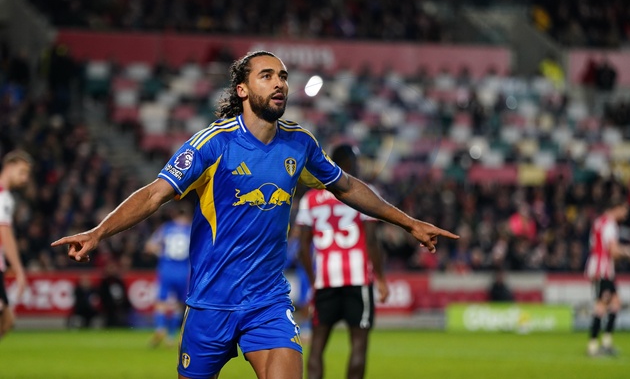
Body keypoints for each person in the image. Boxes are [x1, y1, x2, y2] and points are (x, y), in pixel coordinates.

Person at [51, 50, 459, 379]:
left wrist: (409, 222)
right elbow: (156, 193)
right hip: (210, 302)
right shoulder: (213, 143)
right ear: (242, 90)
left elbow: (348, 187)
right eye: (267, 76)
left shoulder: (300, 144)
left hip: (268, 301)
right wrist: (98, 233)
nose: (279, 83)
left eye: (283, 76)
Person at [295, 144, 390, 379]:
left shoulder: (311, 199)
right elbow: (371, 241)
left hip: (325, 280)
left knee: (317, 347)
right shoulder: (363, 192)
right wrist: (380, 278)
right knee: (358, 344)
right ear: (347, 163)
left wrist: (313, 281)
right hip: (358, 279)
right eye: (354, 161)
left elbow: (302, 248)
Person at [584, 195, 630, 357]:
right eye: (624, 209)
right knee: (601, 305)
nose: (626, 213)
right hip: (603, 268)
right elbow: (613, 251)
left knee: (616, 302)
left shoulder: (599, 221)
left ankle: (606, 342)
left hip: (599, 266)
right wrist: (628, 252)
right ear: (617, 208)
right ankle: (593, 345)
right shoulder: (610, 224)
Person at [145, 201, 192, 348]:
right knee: (178, 304)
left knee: (161, 302)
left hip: (167, 269)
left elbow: (149, 246)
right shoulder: (191, 229)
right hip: (184, 271)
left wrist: (162, 253)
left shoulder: (167, 228)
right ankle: (171, 337)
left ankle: (160, 328)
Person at [0, 149, 32, 340]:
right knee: (5, 319)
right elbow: (4, 233)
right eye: (22, 172)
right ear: (9, 167)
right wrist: (19, 271)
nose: (25, 178)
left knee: (6, 320)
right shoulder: (3, 196)